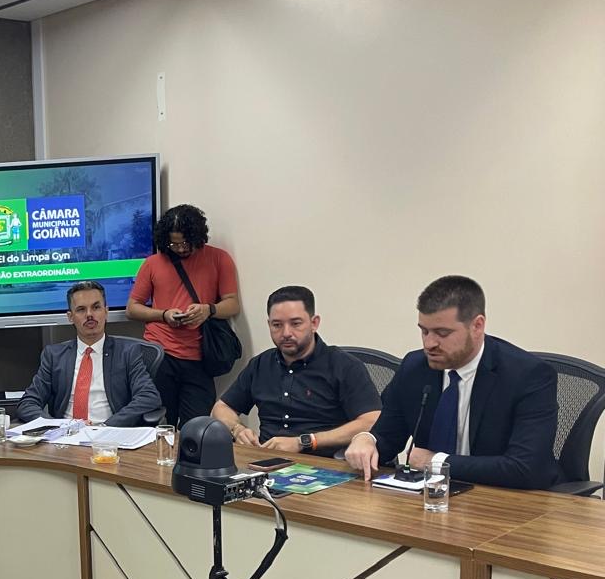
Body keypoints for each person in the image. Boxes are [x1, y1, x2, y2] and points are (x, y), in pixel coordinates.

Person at [345, 275, 561, 490]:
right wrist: (366, 440)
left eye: (442, 333)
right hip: (430, 497)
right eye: (424, 331)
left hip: (506, 498)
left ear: (477, 326)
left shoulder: (528, 376)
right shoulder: (415, 368)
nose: (429, 343)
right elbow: (387, 437)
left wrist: (436, 462)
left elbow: (524, 468)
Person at [212, 286, 381, 454]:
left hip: (323, 463)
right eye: (277, 325)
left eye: (295, 324)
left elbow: (372, 420)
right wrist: (237, 429)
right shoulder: (260, 364)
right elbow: (221, 408)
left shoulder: (343, 365)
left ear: (314, 323)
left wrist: (305, 442)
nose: (286, 333)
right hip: (265, 460)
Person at [127, 204, 241, 427]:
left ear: (198, 236)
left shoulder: (219, 258)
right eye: (174, 244)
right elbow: (133, 308)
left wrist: (208, 310)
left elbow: (232, 304)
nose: (179, 249)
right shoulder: (152, 263)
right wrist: (164, 315)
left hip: (200, 357)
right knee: (158, 425)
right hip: (160, 355)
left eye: (185, 243)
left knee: (197, 427)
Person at [16, 280, 162, 428]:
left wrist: (106, 427)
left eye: (96, 307)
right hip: (65, 435)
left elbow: (148, 397)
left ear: (106, 312)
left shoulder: (127, 352)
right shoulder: (54, 356)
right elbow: (28, 403)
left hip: (110, 434)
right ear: (70, 317)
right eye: (81, 309)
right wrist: (58, 426)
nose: (89, 314)